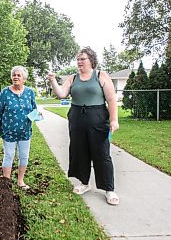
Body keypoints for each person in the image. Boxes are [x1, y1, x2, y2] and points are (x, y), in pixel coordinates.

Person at [47, 47, 120, 205]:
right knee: (80, 151)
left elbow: (112, 99)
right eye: (78, 59)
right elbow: (61, 94)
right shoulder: (73, 78)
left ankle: (109, 189)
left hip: (98, 118)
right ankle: (84, 183)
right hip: (76, 118)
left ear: (91, 60)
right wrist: (52, 80)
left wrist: (114, 120)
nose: (79, 62)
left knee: (102, 154)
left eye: (83, 59)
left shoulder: (100, 75)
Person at [0, 66, 38, 190]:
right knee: (9, 155)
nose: (15, 77)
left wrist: (36, 116)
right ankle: (7, 183)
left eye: (18, 75)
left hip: (25, 132)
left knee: (24, 156)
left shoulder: (30, 92)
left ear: (24, 79)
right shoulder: (5, 92)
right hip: (8, 132)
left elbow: (35, 109)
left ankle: (20, 181)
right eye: (14, 75)